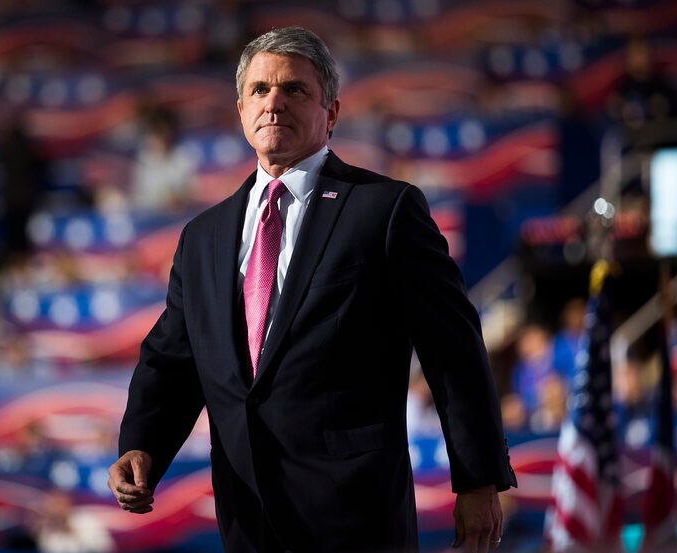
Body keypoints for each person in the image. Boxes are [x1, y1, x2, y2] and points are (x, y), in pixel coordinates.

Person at [108, 27, 515, 553]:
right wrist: (142, 443)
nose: (273, 102)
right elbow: (171, 359)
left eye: (294, 89)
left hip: (356, 518)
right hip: (246, 517)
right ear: (240, 111)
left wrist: (478, 480)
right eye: (259, 90)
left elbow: (453, 351)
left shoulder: (385, 210)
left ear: (332, 113)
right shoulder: (202, 237)